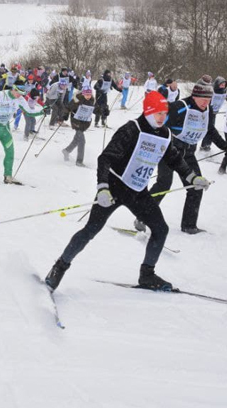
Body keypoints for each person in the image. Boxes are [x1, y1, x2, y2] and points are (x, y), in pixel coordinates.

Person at [43, 91, 210, 292]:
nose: (162, 118)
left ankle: (147, 275)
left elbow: (174, 158)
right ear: (148, 111)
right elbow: (105, 159)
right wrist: (103, 187)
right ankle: (59, 267)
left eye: (164, 114)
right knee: (91, 230)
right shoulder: (132, 129)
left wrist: (192, 177)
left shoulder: (165, 134)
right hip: (113, 188)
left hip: (138, 191)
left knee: (161, 229)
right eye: (158, 113)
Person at [146, 75, 214, 234]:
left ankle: (189, 225)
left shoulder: (207, 109)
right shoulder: (179, 107)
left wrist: (226, 146)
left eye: (209, 99)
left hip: (188, 152)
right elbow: (157, 122)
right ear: (194, 95)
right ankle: (143, 217)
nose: (206, 102)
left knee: (196, 186)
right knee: (164, 184)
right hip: (170, 151)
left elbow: (210, 129)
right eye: (202, 98)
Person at [62, 84, 95, 166]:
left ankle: (66, 151)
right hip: (76, 121)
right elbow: (67, 107)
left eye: (89, 94)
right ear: (83, 93)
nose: (88, 96)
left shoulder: (92, 100)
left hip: (85, 122)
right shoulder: (77, 100)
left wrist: (103, 111)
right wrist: (65, 114)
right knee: (82, 141)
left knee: (77, 139)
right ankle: (79, 161)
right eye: (86, 94)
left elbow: (96, 109)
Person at [200, 76, 227, 152]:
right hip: (207, 111)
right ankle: (205, 146)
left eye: (224, 84)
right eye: (221, 84)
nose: (223, 86)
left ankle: (206, 145)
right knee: (210, 129)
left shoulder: (224, 91)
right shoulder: (212, 90)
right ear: (217, 84)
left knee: (210, 128)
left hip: (214, 112)